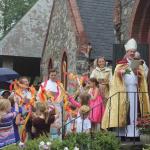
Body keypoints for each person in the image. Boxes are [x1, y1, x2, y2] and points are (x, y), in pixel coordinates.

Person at [101, 38, 150, 140]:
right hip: (124, 91)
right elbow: (116, 77)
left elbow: (142, 77)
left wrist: (139, 73)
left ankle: (134, 134)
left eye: (133, 51)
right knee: (124, 112)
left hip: (135, 92)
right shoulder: (121, 64)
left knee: (134, 113)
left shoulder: (138, 64)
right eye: (130, 52)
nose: (132, 53)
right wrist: (122, 72)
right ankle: (123, 134)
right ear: (127, 52)